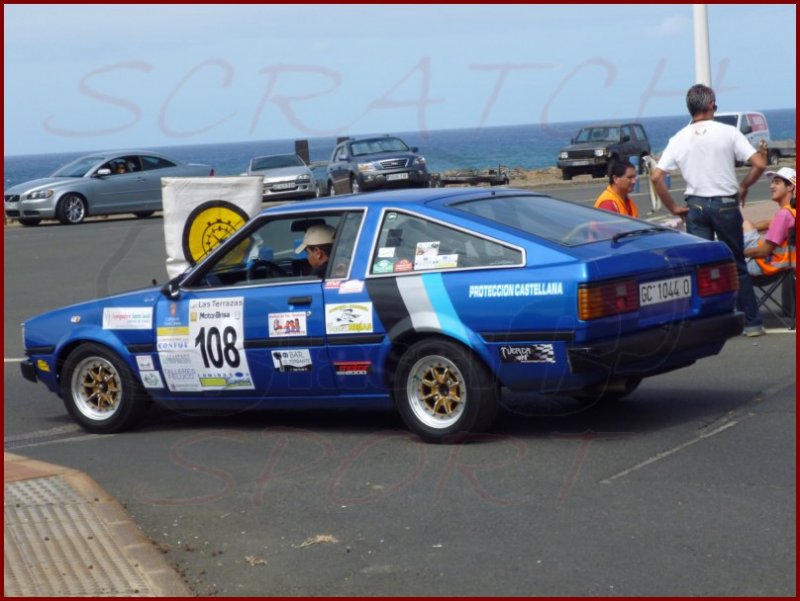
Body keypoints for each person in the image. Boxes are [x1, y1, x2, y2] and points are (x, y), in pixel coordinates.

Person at [651, 84, 767, 337]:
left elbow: (656, 176)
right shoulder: (728, 132)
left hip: (696, 205)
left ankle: (706, 322)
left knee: (701, 266)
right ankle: (752, 322)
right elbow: (759, 163)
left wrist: (673, 207)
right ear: (711, 104)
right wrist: (744, 186)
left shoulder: (679, 138)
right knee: (735, 262)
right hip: (725, 203)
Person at [743, 167, 796, 275]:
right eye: (772, 183)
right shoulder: (792, 211)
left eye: (777, 182)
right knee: (747, 225)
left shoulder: (784, 215)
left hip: (768, 266)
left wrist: (739, 253)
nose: (771, 186)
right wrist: (750, 227)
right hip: (787, 264)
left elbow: (763, 252)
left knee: (726, 266)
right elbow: (769, 223)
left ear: (790, 186)